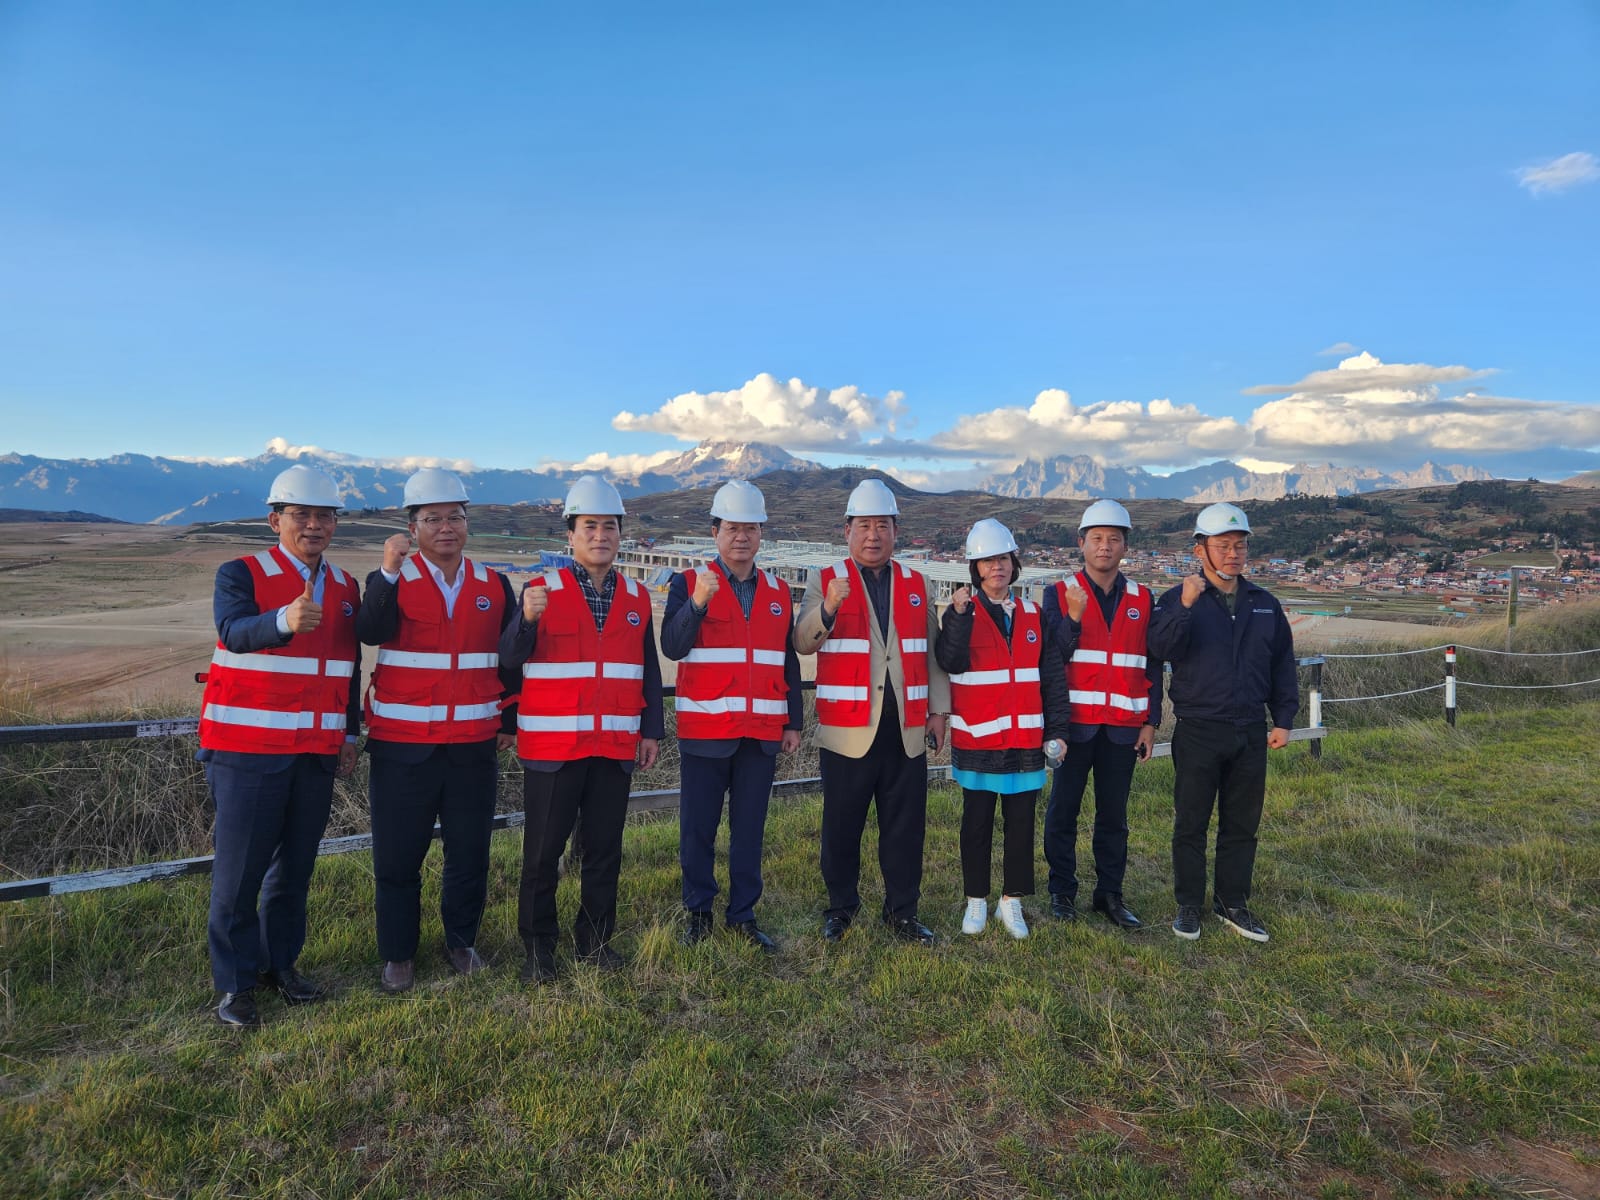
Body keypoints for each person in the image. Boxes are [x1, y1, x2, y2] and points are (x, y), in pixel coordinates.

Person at [197, 464, 360, 1028]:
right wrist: (283, 621)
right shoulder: (240, 573)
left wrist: (349, 733)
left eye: (324, 516)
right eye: (301, 514)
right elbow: (233, 632)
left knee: (294, 871)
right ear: (275, 521)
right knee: (239, 875)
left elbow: (347, 666)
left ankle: (279, 965)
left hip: (314, 751)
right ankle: (235, 986)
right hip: (248, 750)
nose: (313, 525)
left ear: (335, 523)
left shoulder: (346, 587)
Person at [356, 468, 518, 994]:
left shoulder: (494, 585)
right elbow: (370, 630)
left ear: (467, 524)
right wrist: (387, 572)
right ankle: (398, 953)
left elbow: (510, 659)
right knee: (398, 856)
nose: (445, 527)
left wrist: (508, 719)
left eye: (455, 517)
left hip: (472, 745)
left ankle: (461, 942)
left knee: (469, 853)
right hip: (402, 747)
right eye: (432, 519)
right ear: (413, 527)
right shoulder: (390, 579)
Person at [501, 474, 664, 983]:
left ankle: (595, 941)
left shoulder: (637, 596)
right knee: (542, 854)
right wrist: (525, 621)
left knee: (603, 852)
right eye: (589, 526)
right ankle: (538, 949)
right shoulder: (540, 590)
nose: (600, 535)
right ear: (569, 535)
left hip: (613, 744)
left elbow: (648, 669)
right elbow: (509, 659)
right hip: (553, 748)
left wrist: (650, 731)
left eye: (609, 526)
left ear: (620, 535)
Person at [794, 477, 951, 945]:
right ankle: (841, 908)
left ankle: (902, 912)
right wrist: (828, 608)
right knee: (841, 826)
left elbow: (932, 654)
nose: (873, 535)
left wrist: (939, 712)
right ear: (847, 531)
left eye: (882, 525)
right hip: (848, 728)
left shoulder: (918, 583)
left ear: (896, 531)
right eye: (863, 525)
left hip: (905, 728)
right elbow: (802, 641)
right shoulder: (825, 580)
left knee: (905, 828)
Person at [660, 480, 803, 953]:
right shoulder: (687, 584)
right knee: (698, 830)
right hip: (706, 731)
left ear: (761, 534)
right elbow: (672, 646)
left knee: (749, 831)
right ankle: (699, 912)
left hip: (760, 733)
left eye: (750, 529)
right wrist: (698, 603)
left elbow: (787, 660)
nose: (741, 537)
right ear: (715, 532)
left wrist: (793, 721)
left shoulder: (779, 591)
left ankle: (743, 913)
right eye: (731, 528)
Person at [1146, 502, 1297, 943]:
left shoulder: (1264, 604)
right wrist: (1185, 606)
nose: (1233, 554)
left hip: (1249, 728)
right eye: (1223, 545)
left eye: (1240, 545)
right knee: (1190, 822)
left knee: (1242, 823)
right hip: (1198, 728)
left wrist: (1283, 719)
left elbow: (1281, 664)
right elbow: (1159, 650)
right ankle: (1188, 904)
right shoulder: (1177, 599)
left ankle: (1233, 902)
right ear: (1200, 550)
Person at [935, 519, 1070, 940]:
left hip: (1025, 740)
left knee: (1021, 824)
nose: (997, 567)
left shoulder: (1033, 614)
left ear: (1014, 564)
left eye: (1004, 559)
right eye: (988, 561)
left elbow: (1052, 677)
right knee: (975, 824)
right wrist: (958, 617)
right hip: (979, 740)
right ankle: (976, 898)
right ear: (975, 569)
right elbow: (950, 660)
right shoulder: (962, 613)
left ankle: (1011, 901)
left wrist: (1057, 730)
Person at [1040, 499, 1164, 931]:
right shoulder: (1058, 594)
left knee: (1114, 817)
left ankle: (1110, 894)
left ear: (1125, 546)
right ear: (1081, 543)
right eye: (1096, 538)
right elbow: (1051, 657)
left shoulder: (1142, 598)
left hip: (1123, 728)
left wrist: (1151, 722)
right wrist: (1073, 619)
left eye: (1114, 539)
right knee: (1063, 812)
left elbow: (1151, 664)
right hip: (1073, 726)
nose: (1105, 546)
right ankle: (1062, 892)